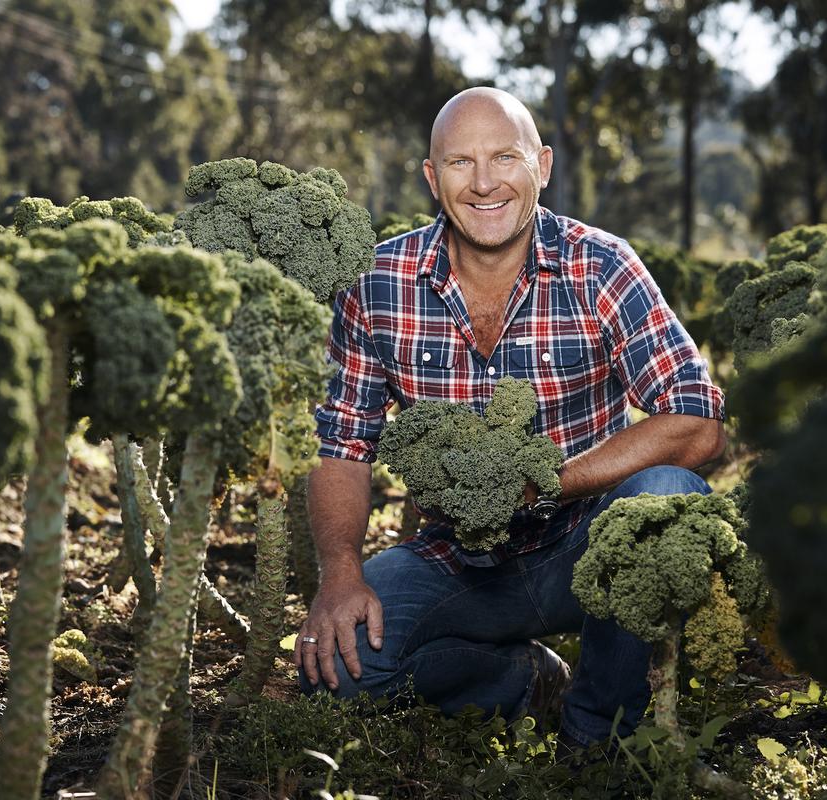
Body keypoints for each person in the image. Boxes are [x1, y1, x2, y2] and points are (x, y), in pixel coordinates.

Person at [294, 87, 726, 749]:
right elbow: (341, 444)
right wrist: (342, 575)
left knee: (666, 501)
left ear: (542, 166)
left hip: (589, 549)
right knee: (339, 669)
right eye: (462, 163)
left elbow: (696, 423)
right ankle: (524, 682)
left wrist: (546, 481)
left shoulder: (600, 265)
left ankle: (600, 739)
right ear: (433, 179)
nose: (485, 182)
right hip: (460, 562)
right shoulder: (379, 282)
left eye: (505, 157)